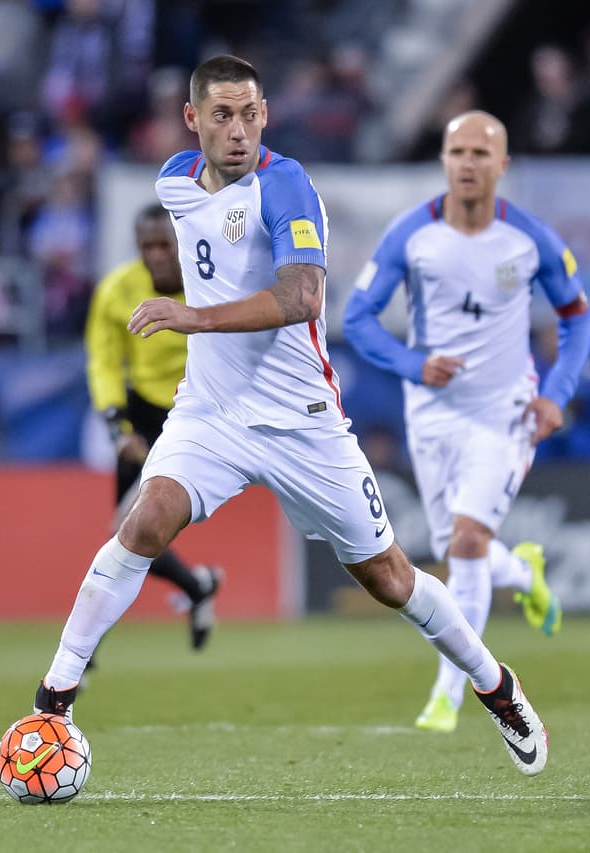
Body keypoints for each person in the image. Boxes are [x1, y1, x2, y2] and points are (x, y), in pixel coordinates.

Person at [32, 55, 549, 777]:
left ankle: (497, 688)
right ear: (193, 121)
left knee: (390, 579)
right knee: (144, 520)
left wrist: (191, 316)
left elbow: (302, 298)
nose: (239, 130)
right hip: (210, 412)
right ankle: (53, 699)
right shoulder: (175, 182)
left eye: (250, 114)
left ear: (266, 114)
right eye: (222, 116)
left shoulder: (288, 185)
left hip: (302, 420)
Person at [343, 111, 590, 734]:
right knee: (453, 551)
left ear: (503, 165)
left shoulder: (530, 240)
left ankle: (449, 695)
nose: (467, 163)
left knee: (467, 543)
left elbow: (578, 317)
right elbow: (356, 318)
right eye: (457, 151)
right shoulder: (412, 235)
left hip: (505, 410)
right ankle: (524, 571)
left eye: (481, 153)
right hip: (431, 414)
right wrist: (412, 362)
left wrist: (556, 393)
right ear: (444, 160)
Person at [85, 203, 223, 656]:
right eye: (148, 247)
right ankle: (196, 586)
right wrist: (116, 426)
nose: (157, 256)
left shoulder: (213, 282)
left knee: (127, 533)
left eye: (166, 245)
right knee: (124, 534)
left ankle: (82, 660)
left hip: (203, 408)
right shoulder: (117, 290)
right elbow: (104, 362)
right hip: (145, 417)